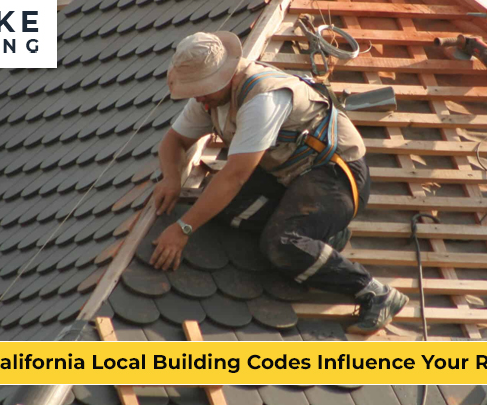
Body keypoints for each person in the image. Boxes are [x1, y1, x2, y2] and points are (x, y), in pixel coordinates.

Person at [148, 31, 407, 334]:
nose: (198, 97)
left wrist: (184, 228)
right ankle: (321, 233)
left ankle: (374, 292)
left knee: (280, 243)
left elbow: (235, 175)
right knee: (217, 207)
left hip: (335, 174)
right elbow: (174, 141)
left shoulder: (262, 99)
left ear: (224, 75)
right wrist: (170, 177)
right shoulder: (210, 97)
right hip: (285, 173)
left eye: (202, 89)